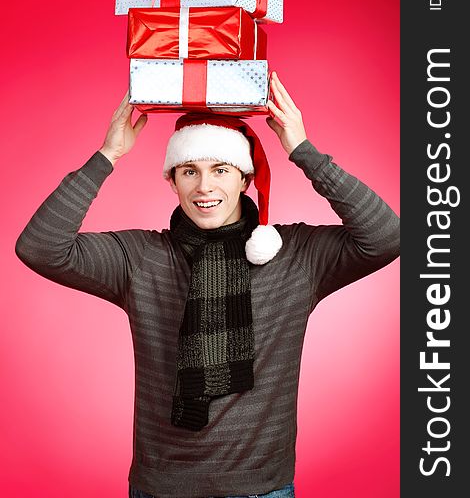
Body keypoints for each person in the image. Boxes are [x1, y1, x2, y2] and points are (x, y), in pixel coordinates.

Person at [15, 72, 400, 498]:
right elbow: (41, 247)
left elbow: (386, 237)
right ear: (172, 181)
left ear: (246, 180)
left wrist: (303, 152)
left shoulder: (294, 254)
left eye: (221, 169)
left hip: (261, 488)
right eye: (188, 171)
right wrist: (108, 154)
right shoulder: (141, 258)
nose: (205, 187)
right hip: (161, 487)